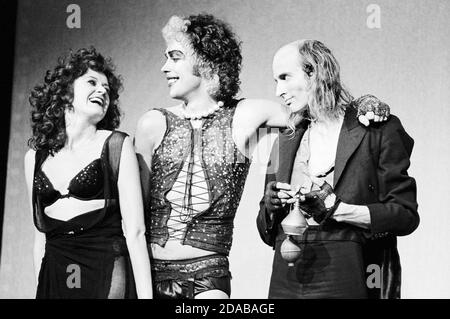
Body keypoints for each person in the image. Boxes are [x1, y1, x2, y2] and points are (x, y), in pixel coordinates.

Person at [135, 14, 389, 299]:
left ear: (206, 60)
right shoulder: (152, 123)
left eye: (175, 56)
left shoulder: (249, 114)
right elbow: (135, 221)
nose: (164, 67)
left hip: (208, 274)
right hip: (151, 270)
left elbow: (321, 108)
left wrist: (362, 104)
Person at [256, 39, 419, 299]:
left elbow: (405, 215)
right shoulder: (284, 141)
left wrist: (339, 210)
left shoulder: (376, 129)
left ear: (314, 71)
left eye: (285, 77)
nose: (279, 90)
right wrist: (271, 205)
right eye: (276, 80)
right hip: (287, 273)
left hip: (349, 267)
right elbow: (265, 233)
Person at [24, 47, 153, 298]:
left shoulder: (116, 145)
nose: (102, 91)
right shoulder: (34, 158)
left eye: (107, 88)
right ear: (64, 91)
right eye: (92, 82)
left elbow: (136, 232)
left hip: (105, 261)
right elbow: (40, 239)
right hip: (55, 269)